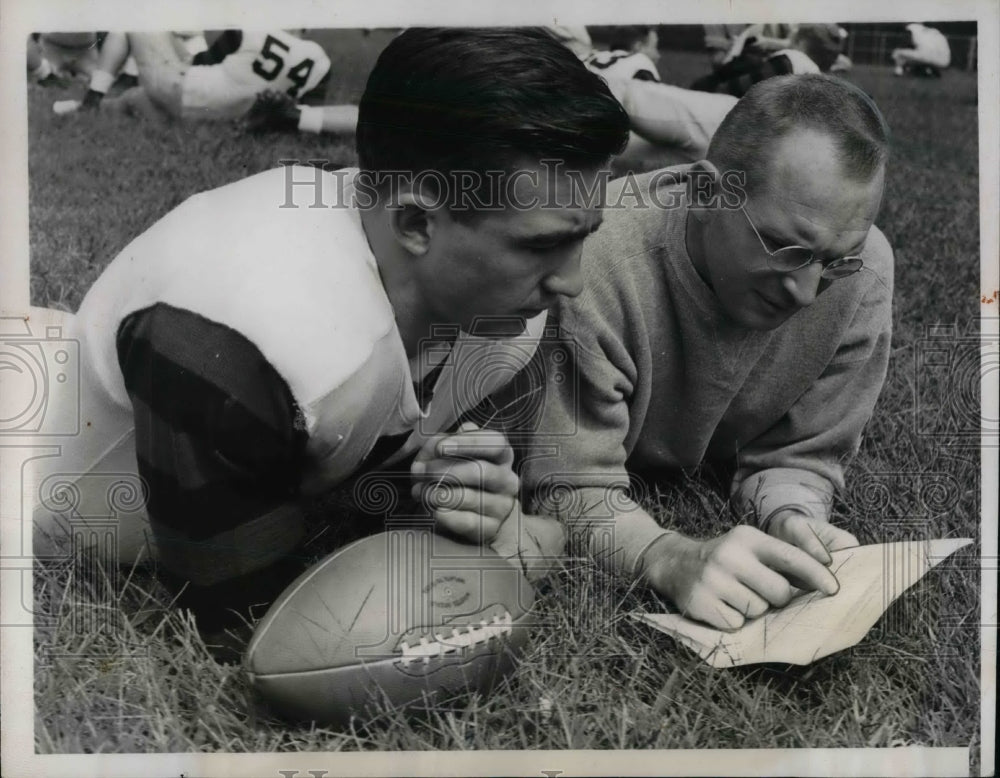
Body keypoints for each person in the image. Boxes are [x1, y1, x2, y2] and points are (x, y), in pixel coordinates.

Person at [31, 26, 628, 659]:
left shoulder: (492, 307)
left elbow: (486, 525)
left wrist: (489, 517)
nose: (573, 281)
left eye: (580, 235)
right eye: (540, 244)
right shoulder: (241, 319)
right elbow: (262, 635)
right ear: (416, 221)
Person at [500, 73, 893, 631]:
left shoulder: (864, 270)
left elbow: (802, 454)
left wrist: (791, 513)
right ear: (707, 194)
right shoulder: (589, 263)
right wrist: (669, 557)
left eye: (836, 260)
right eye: (786, 249)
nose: (806, 293)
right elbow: (566, 487)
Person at [53, 30, 331, 121]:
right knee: (133, 99)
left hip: (185, 93)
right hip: (221, 118)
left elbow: (199, 63)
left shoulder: (253, 30)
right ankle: (83, 110)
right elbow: (307, 110)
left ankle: (91, 98)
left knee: (136, 19)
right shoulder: (320, 60)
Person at [691, 24, 848, 96]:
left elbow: (733, 90)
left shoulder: (791, 59)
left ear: (801, 43)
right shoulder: (815, 73)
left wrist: (738, 55)